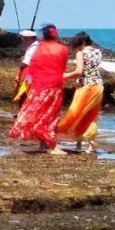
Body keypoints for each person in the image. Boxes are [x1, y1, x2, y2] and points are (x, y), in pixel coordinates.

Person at [8, 24, 70, 154]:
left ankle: (43, 144)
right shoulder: (62, 49)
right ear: (56, 34)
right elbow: (61, 68)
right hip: (54, 85)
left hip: (38, 85)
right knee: (50, 115)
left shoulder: (37, 49)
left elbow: (33, 67)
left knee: (40, 112)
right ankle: (53, 146)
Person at [57, 32, 104, 153]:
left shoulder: (81, 53)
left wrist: (65, 76)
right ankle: (90, 146)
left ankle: (76, 141)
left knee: (77, 113)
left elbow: (79, 71)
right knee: (92, 116)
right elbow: (91, 69)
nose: (77, 47)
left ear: (82, 42)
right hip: (98, 86)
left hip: (86, 87)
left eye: (78, 45)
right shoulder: (98, 52)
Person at [14, 30, 38, 106]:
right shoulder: (33, 47)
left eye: (25, 38)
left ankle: (24, 110)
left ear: (29, 38)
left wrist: (21, 62)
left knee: (23, 91)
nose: (23, 40)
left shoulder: (32, 48)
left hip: (29, 75)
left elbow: (25, 63)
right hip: (31, 74)